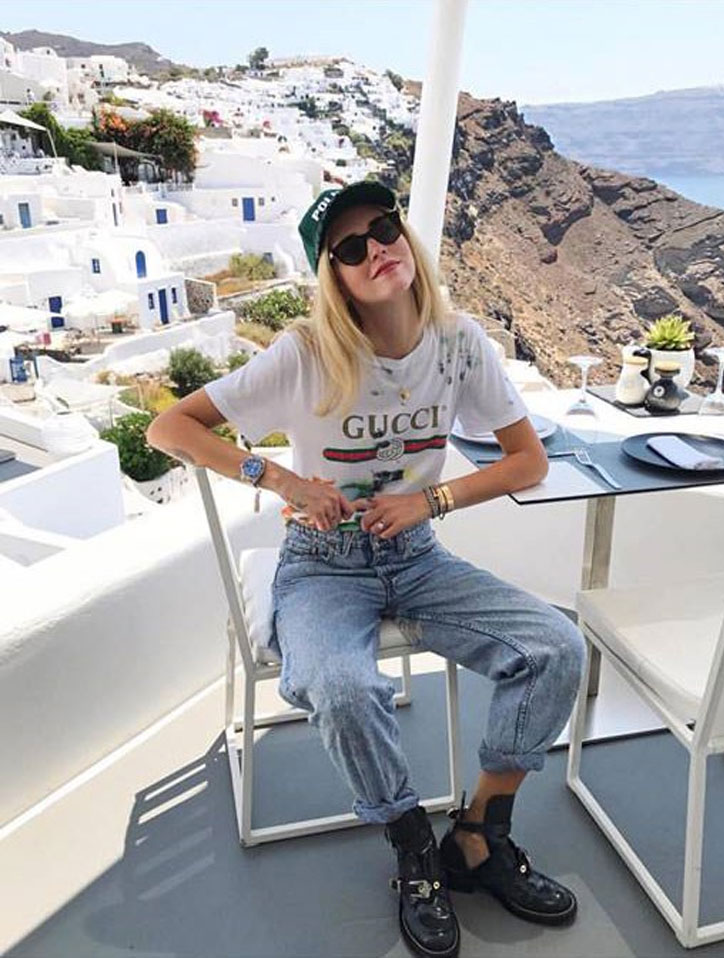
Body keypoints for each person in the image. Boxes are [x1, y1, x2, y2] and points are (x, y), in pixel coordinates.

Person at [147, 181, 585, 958]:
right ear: (336, 276)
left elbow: (528, 461)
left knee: (557, 647)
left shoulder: (459, 344)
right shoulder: (305, 354)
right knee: (342, 688)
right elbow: (169, 427)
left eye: (384, 228)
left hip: (418, 559)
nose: (377, 249)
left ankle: (478, 835)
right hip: (323, 567)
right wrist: (280, 480)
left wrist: (434, 500)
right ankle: (412, 843)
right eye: (351, 247)